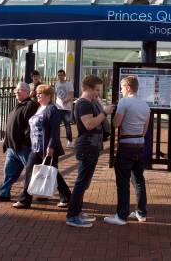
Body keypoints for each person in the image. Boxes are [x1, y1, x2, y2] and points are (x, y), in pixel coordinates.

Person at [66, 75, 114, 228]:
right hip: (87, 146)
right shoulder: (83, 104)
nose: (98, 93)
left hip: (91, 147)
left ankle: (77, 212)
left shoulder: (90, 102)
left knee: (84, 182)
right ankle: (72, 216)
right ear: (89, 88)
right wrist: (104, 113)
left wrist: (100, 107)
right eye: (97, 90)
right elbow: (89, 124)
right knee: (81, 182)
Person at [13, 85, 71, 209]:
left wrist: (50, 146)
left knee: (52, 172)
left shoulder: (52, 109)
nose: (38, 95)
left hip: (46, 148)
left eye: (41, 94)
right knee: (30, 171)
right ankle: (25, 200)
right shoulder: (39, 108)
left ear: (48, 96)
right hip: (35, 147)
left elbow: (55, 130)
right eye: (38, 93)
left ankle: (66, 197)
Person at [104, 76, 150, 226]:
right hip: (140, 144)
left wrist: (111, 115)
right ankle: (141, 213)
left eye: (122, 87)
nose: (121, 90)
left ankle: (121, 216)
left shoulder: (124, 102)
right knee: (139, 180)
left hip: (126, 145)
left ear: (128, 88)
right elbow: (145, 130)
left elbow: (116, 124)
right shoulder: (145, 105)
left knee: (122, 182)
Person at [0, 82, 38, 202]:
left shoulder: (30, 105)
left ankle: (41, 192)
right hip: (12, 147)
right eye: (16, 89)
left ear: (27, 92)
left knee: (32, 172)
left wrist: (24, 141)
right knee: (9, 173)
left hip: (23, 147)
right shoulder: (19, 105)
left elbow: (31, 126)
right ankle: (4, 193)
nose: (16, 92)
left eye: (20, 90)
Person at [54, 69, 75, 148]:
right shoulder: (56, 84)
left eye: (61, 75)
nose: (60, 76)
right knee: (56, 125)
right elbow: (56, 95)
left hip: (67, 108)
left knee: (67, 125)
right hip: (58, 108)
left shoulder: (69, 84)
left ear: (64, 75)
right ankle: (56, 141)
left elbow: (71, 94)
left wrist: (66, 100)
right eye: (59, 75)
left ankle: (69, 141)